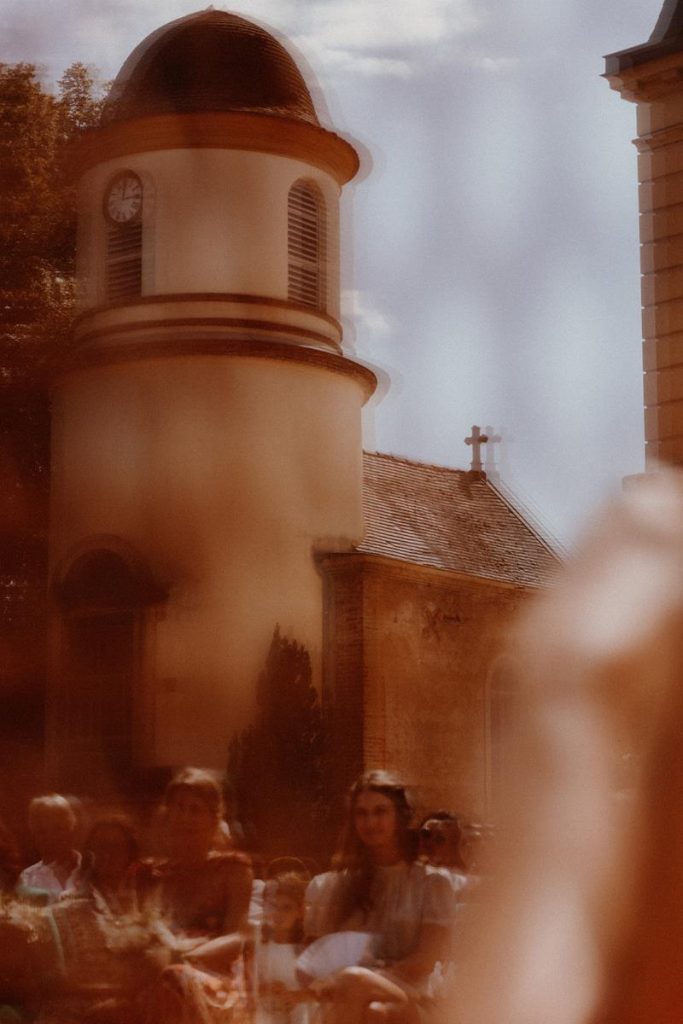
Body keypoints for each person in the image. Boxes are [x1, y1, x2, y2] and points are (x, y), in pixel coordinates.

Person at [303, 771, 456, 1024]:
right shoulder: (336, 885)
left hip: (414, 997)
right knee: (374, 1012)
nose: (370, 822)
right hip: (352, 998)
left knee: (355, 984)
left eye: (380, 811)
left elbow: (425, 960)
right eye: (361, 813)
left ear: (400, 815)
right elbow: (320, 955)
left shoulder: (431, 884)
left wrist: (362, 980)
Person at [140, 766, 254, 1024]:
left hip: (214, 976)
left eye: (195, 810)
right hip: (159, 972)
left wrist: (184, 958)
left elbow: (238, 936)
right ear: (167, 815)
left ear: (213, 819)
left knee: (176, 978)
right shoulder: (153, 874)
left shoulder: (233, 869)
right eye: (179, 808)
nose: (185, 817)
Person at [255, 872, 310, 1024]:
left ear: (299, 911)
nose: (278, 914)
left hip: (297, 1013)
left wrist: (295, 996)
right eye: (273, 906)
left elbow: (317, 990)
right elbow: (248, 985)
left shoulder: (304, 949)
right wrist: (266, 989)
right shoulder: (258, 946)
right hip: (266, 1012)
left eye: (287, 908)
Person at [18, 794, 81, 902]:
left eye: (58, 828)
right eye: (42, 831)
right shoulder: (27, 879)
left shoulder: (92, 871)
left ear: (71, 828)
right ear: (34, 835)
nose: (51, 837)